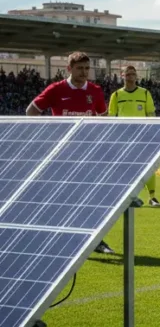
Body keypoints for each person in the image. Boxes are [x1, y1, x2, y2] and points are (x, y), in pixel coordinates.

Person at [27, 51, 116, 255]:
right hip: (61, 155)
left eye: (87, 68)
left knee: (91, 198)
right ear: (69, 69)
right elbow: (31, 111)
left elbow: (104, 119)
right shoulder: (56, 89)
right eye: (80, 68)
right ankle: (63, 239)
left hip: (87, 154)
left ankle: (96, 239)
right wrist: (44, 138)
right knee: (63, 199)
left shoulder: (95, 90)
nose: (84, 72)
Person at [108, 65, 160, 207]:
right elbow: (111, 118)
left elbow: (151, 114)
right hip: (124, 138)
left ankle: (153, 197)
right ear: (122, 76)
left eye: (133, 74)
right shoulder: (117, 95)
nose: (130, 77)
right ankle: (132, 196)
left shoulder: (144, 93)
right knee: (128, 168)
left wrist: (153, 133)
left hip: (143, 137)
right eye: (128, 74)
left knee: (150, 167)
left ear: (136, 76)